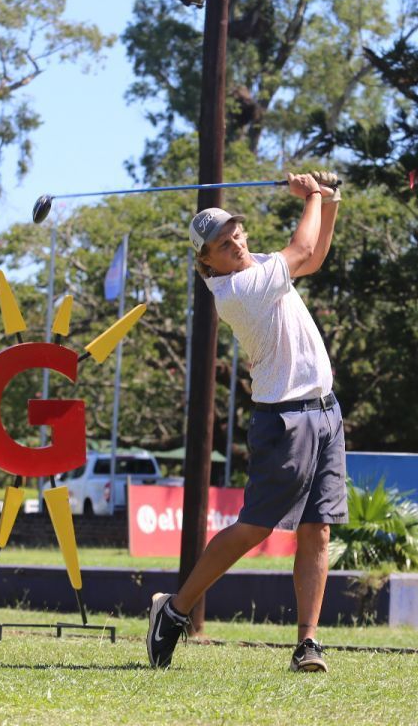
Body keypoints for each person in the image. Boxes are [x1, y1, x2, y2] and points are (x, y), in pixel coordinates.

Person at [147, 171, 345, 672]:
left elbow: (314, 257)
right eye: (221, 241)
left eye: (235, 231)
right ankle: (175, 610)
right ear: (206, 260)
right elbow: (301, 250)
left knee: (317, 530)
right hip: (286, 419)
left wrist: (331, 199)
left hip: (325, 412)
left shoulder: (258, 266)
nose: (233, 241)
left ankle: (307, 644)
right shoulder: (237, 289)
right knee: (254, 528)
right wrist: (314, 196)